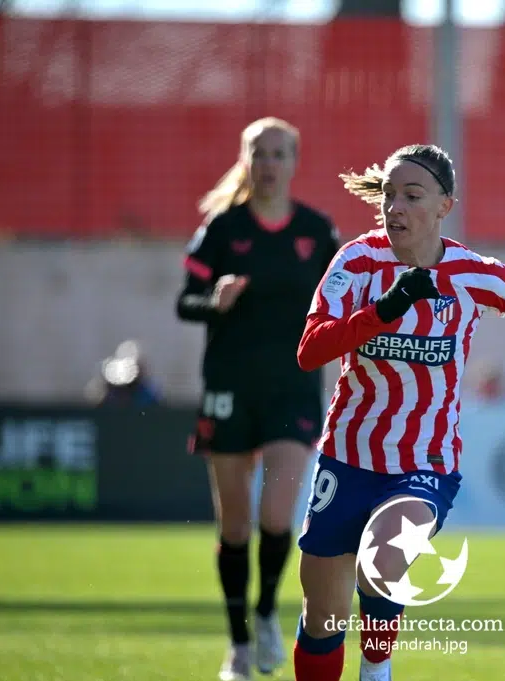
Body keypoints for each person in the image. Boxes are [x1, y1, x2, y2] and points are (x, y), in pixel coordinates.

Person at [292, 144, 505, 681]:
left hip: (425, 462)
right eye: (389, 195)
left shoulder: (471, 274)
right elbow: (311, 350)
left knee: (383, 554)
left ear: (445, 206)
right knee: (322, 618)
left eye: (412, 196)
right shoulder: (356, 262)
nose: (394, 207)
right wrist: (386, 309)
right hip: (346, 459)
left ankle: (376, 667)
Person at [175, 117, 340, 681]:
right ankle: (238, 645)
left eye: (278, 153)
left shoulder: (318, 232)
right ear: (246, 160)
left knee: (277, 516)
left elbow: (343, 301)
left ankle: (267, 612)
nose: (268, 164)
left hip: (293, 388)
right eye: (259, 153)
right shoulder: (222, 230)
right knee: (235, 527)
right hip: (229, 387)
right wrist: (213, 302)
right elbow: (185, 302)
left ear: (294, 162)